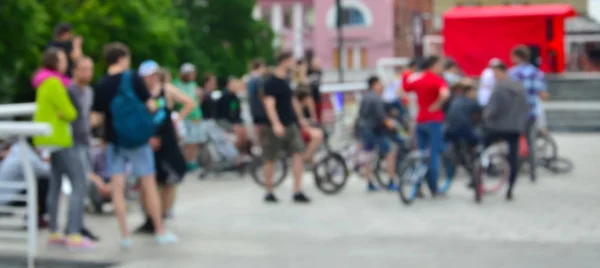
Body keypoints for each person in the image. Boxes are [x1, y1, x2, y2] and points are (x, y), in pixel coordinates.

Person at [90, 42, 176, 248]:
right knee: (148, 184)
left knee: (117, 189)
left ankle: (125, 235)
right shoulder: (132, 78)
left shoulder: (101, 85)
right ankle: (160, 230)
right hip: (138, 141)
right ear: (122, 58)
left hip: (114, 141)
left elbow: (95, 119)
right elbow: (152, 106)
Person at [32, 48, 95, 249]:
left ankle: (53, 231)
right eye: (62, 59)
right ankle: (74, 233)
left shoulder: (43, 83)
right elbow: (70, 112)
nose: (65, 62)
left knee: (55, 186)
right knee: (78, 184)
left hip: (50, 141)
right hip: (63, 139)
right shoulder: (55, 83)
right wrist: (65, 113)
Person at [136, 64, 192, 234]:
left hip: (166, 140)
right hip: (147, 139)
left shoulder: (166, 89)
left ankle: (160, 216)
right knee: (146, 181)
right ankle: (149, 218)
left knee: (168, 181)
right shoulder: (139, 92)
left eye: (153, 75)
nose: (151, 78)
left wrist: (177, 119)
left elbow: (189, 103)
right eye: (147, 76)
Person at [261, 51, 310, 203]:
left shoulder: (287, 80)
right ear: (284, 61)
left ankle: (297, 190)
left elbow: (293, 100)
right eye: (292, 61)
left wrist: (301, 119)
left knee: (298, 154)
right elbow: (269, 105)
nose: (293, 64)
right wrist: (276, 124)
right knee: (271, 158)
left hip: (291, 124)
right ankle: (269, 191)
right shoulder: (271, 82)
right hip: (274, 126)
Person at [67, 56, 105, 242]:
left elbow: (88, 117)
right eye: (83, 69)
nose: (87, 73)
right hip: (72, 142)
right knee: (78, 185)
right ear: (74, 70)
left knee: (83, 186)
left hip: (85, 142)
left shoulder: (89, 91)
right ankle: (73, 229)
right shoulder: (69, 91)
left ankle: (77, 225)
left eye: (90, 69)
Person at [404, 55, 450, 195]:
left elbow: (405, 87)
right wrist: (436, 105)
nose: (442, 68)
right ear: (434, 65)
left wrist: (406, 73)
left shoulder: (419, 79)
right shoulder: (437, 80)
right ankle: (434, 187)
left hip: (420, 120)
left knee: (420, 154)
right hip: (434, 120)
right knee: (434, 154)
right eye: (440, 65)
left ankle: (418, 187)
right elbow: (445, 94)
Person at [485, 60, 529, 200]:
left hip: (497, 127)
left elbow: (493, 110)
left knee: (482, 146)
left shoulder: (499, 88)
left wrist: (485, 117)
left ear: (499, 71)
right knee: (513, 158)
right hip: (515, 127)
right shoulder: (520, 87)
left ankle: (478, 173)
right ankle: (510, 188)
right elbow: (525, 107)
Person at [508, 45, 549, 182]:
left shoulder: (512, 73)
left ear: (518, 57)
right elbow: (543, 95)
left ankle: (514, 170)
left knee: (514, 141)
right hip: (531, 113)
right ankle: (532, 171)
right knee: (531, 142)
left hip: (515, 113)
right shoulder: (537, 73)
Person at [357, 76, 399, 192]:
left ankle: (369, 182)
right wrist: (391, 125)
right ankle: (391, 181)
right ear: (374, 84)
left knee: (368, 155)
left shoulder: (365, 97)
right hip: (374, 131)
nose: (382, 86)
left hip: (364, 129)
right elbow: (382, 117)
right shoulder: (376, 99)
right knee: (390, 152)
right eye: (380, 84)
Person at [0, 139, 50, 228]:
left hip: (4, 195)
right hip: (6, 200)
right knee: (44, 182)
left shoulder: (15, 150)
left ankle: (34, 217)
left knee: (37, 181)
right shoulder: (26, 154)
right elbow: (46, 171)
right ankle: (35, 218)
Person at [291, 61, 324, 165]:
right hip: (301, 122)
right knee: (317, 134)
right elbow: (310, 107)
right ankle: (306, 157)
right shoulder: (302, 86)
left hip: (302, 120)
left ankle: (309, 157)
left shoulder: (296, 85)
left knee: (313, 133)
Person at [172, 63, 203, 170]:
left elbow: (196, 100)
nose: (194, 75)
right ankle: (184, 163)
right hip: (185, 117)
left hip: (196, 116)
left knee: (194, 142)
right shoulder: (176, 84)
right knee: (187, 142)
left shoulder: (193, 84)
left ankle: (189, 162)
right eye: (192, 73)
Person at [216, 78, 248, 153]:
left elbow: (236, 111)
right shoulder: (224, 97)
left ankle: (243, 152)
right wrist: (234, 123)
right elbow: (225, 113)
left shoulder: (235, 97)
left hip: (235, 120)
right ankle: (237, 153)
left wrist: (239, 122)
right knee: (238, 133)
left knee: (244, 132)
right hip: (225, 121)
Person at [305, 49, 323, 122]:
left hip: (316, 97)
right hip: (310, 98)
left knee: (318, 117)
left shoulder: (318, 72)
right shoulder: (309, 71)